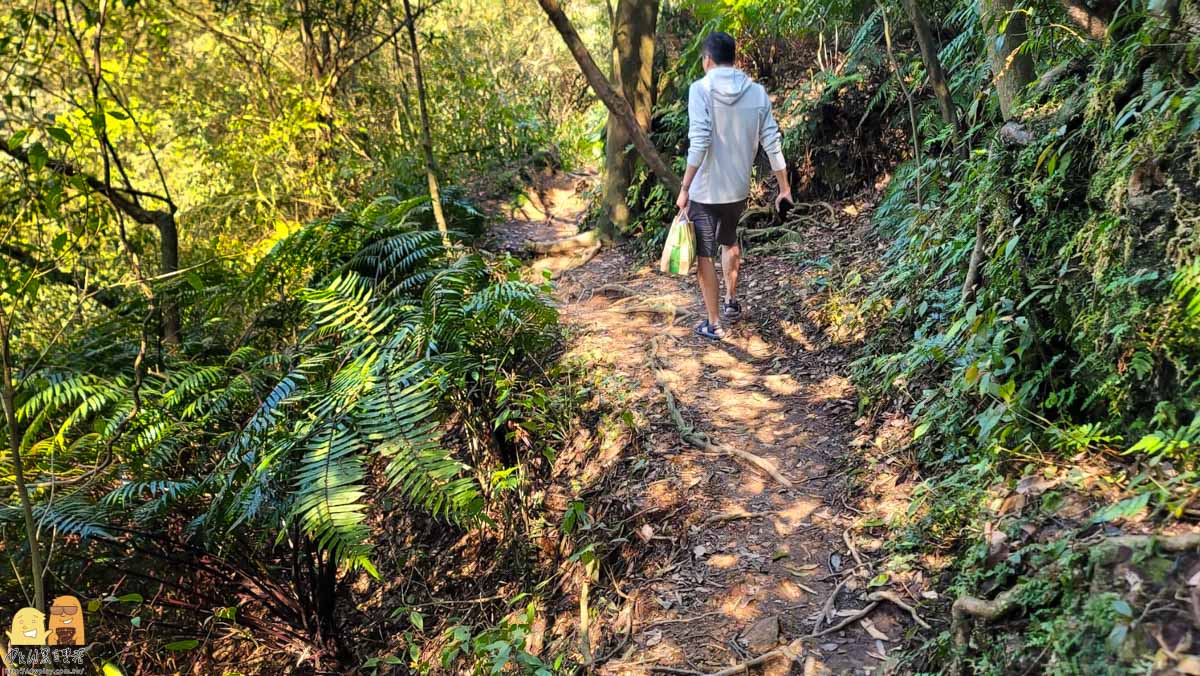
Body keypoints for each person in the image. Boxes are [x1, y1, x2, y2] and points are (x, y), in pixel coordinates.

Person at [676, 31, 791, 340]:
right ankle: (730, 301)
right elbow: (772, 142)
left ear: (707, 60)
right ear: (735, 59)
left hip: (705, 191)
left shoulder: (700, 90)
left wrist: (685, 187)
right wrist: (784, 188)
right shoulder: (757, 93)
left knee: (705, 256)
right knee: (730, 240)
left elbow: (699, 141)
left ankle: (714, 324)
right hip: (738, 189)